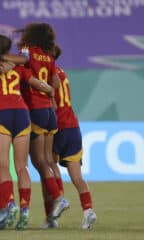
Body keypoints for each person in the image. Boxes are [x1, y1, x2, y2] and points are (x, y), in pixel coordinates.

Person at [0, 34, 55, 230]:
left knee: (2, 164)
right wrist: (50, 90)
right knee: (22, 167)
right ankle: (24, 209)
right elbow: (38, 84)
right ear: (9, 49)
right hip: (22, 114)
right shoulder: (19, 68)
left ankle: (10, 203)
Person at [17, 23, 70, 224]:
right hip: (49, 110)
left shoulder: (27, 52)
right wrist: (47, 89)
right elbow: (55, 83)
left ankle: (58, 198)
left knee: (39, 162)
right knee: (49, 161)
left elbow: (20, 63)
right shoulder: (48, 57)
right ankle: (52, 217)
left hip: (35, 110)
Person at [50, 45, 97, 229]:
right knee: (77, 176)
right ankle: (88, 210)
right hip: (73, 126)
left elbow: (52, 101)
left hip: (57, 126)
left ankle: (59, 199)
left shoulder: (49, 73)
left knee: (48, 163)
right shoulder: (62, 72)